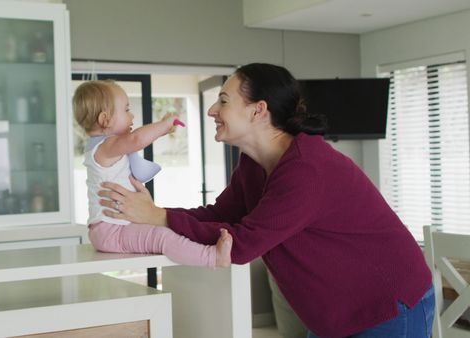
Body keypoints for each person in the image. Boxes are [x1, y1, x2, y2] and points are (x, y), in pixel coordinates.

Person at [97, 63, 434, 338]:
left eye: (224, 100)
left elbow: (241, 244)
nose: (213, 109)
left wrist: (157, 218)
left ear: (259, 110)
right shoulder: (253, 164)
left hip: (387, 306)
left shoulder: (305, 169)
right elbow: (219, 214)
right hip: (336, 312)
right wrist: (155, 213)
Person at [73, 80, 232, 268]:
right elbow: (137, 139)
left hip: (113, 227)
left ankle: (202, 249)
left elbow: (135, 140)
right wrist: (163, 126)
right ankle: (211, 257)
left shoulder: (105, 148)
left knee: (167, 230)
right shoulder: (105, 147)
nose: (132, 115)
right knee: (162, 237)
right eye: (126, 110)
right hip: (112, 230)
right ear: (105, 119)